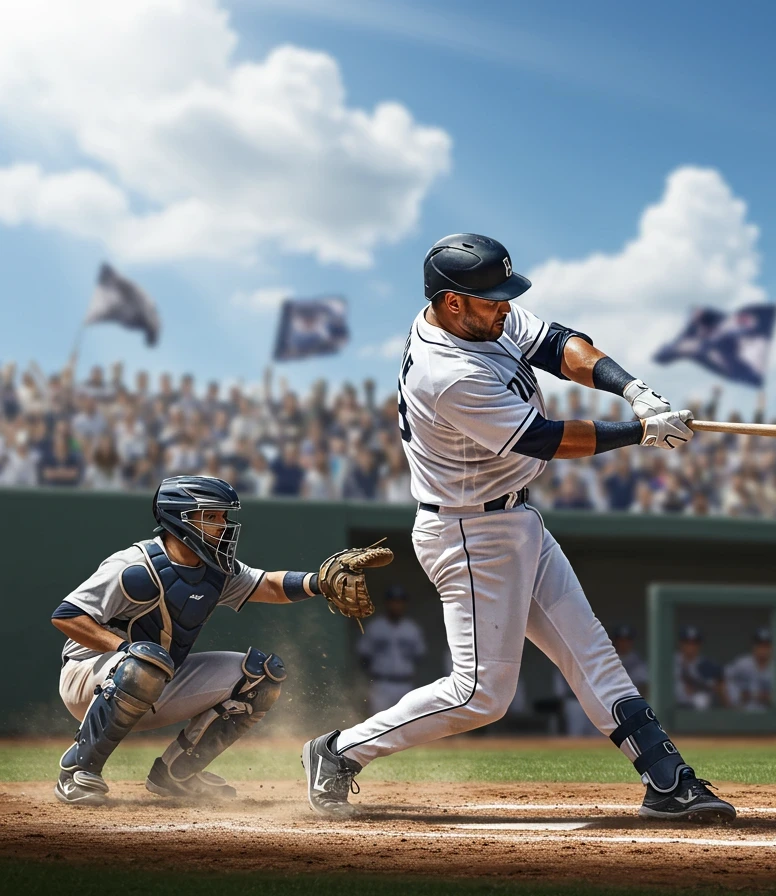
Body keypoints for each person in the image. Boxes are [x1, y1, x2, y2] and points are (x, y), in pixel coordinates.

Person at [302, 234, 734, 823]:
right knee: (480, 695)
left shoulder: (478, 316)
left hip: (514, 517)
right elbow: (544, 439)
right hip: (467, 533)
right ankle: (337, 752)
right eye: (492, 299)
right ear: (452, 302)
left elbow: (559, 344)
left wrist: (632, 390)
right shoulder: (445, 371)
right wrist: (638, 434)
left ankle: (668, 780)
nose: (505, 307)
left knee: (592, 651)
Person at [50, 476, 351, 805]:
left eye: (223, 517)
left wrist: (320, 582)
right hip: (89, 679)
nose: (222, 526)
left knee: (262, 675)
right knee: (144, 662)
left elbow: (269, 585)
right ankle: (78, 769)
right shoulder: (134, 566)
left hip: (158, 676)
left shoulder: (215, 569)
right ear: (179, 519)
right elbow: (66, 615)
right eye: (211, 516)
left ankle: (175, 773)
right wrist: (123, 649)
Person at [357, 585, 427, 714]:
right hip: (381, 684)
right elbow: (364, 656)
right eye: (393, 601)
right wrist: (370, 683)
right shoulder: (375, 627)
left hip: (405, 683)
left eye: (400, 601)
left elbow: (419, 656)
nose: (396, 605)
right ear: (387, 603)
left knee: (407, 722)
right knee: (378, 723)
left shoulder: (412, 629)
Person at [674, 624, 724, 711]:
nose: (690, 646)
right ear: (680, 643)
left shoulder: (707, 665)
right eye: (687, 642)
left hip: (695, 707)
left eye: (694, 643)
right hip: (673, 704)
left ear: (699, 644)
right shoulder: (669, 662)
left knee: (701, 699)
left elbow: (715, 688)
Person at [724, 627, 774, 711]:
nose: (763, 649)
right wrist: (735, 697)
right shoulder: (741, 664)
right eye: (760, 645)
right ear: (754, 646)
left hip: (769, 716)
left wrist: (766, 696)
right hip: (744, 715)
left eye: (766, 645)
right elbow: (723, 680)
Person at [610, 623, 649, 697]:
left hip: (631, 699)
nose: (624, 644)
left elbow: (644, 687)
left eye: (627, 640)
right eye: (621, 640)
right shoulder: (609, 658)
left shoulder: (638, 661)